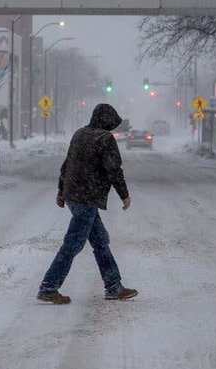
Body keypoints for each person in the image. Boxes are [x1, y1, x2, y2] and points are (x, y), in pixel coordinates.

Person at [37, 103, 137, 304]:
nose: (112, 128)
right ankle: (48, 287)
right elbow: (114, 169)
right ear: (106, 120)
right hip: (87, 197)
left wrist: (61, 192)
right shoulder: (104, 138)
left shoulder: (80, 134)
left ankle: (114, 286)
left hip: (75, 196)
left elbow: (67, 164)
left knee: (100, 241)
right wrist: (124, 194)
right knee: (73, 244)